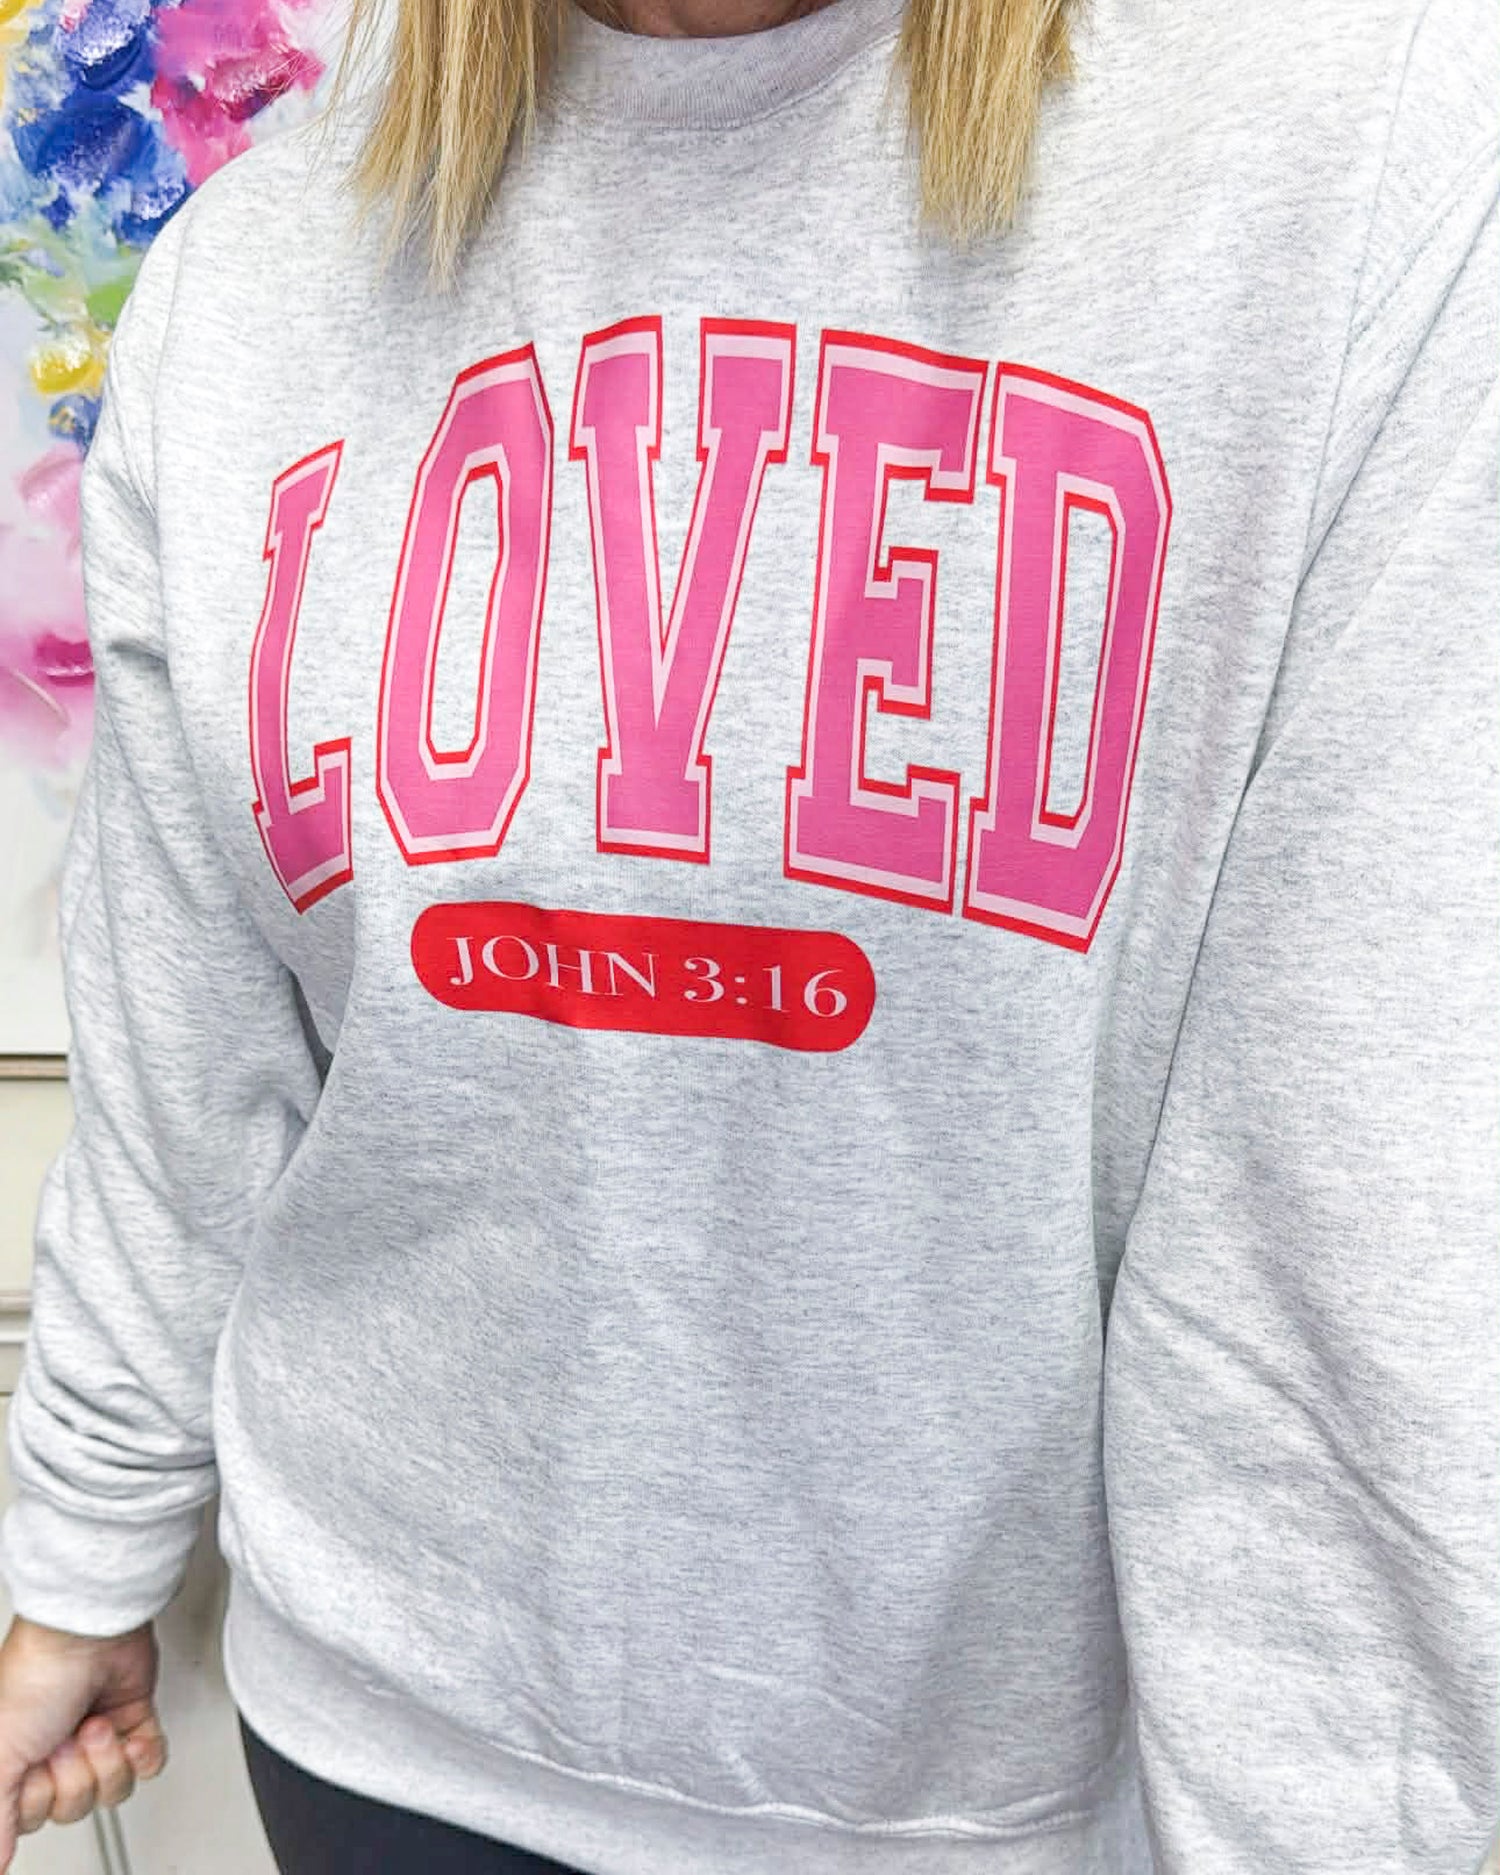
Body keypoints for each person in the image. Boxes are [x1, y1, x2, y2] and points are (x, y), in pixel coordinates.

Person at [0, 0, 1494, 1868]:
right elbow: (189, 1062)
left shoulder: (1359, 156)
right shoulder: (254, 280)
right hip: (381, 1734)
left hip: (985, 1806)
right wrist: (81, 1554)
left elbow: (1344, 1196)